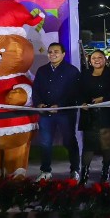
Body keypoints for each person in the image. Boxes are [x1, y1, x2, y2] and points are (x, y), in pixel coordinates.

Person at [32, 42, 81, 182]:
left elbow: (75, 92)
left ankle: (75, 170)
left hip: (65, 113)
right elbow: (36, 89)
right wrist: (39, 104)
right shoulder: (42, 70)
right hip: (46, 113)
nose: (52, 54)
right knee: (45, 142)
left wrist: (60, 105)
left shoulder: (72, 71)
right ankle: (45, 171)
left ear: (63, 54)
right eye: (50, 52)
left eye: (56, 52)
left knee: (69, 141)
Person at [78, 49, 110, 183]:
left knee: (106, 144)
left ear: (105, 59)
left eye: (99, 57)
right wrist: (82, 102)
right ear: (90, 61)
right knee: (89, 145)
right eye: (94, 58)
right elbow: (78, 91)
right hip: (89, 114)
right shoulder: (85, 74)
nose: (96, 60)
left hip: (107, 113)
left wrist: (103, 99)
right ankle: (84, 173)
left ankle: (105, 171)